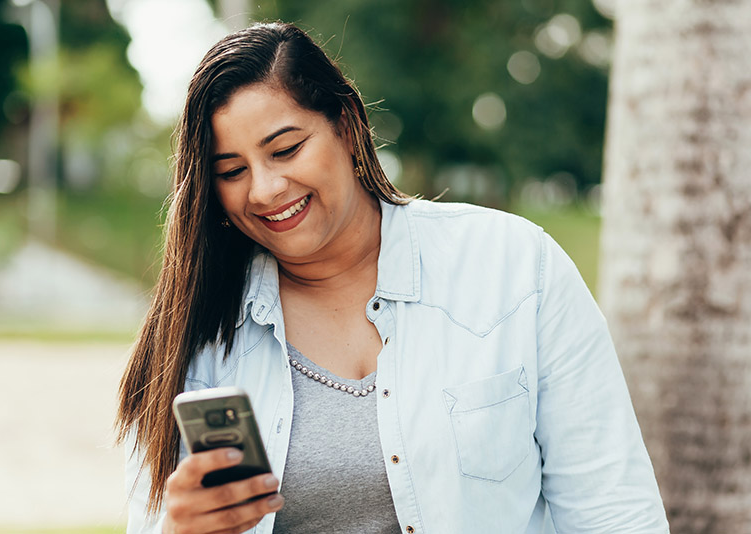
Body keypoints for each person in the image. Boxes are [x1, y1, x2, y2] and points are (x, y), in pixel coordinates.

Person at [116, 22, 669, 534]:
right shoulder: (198, 331)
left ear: (349, 128)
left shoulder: (516, 266)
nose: (263, 189)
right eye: (231, 171)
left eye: (286, 149)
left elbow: (613, 509)